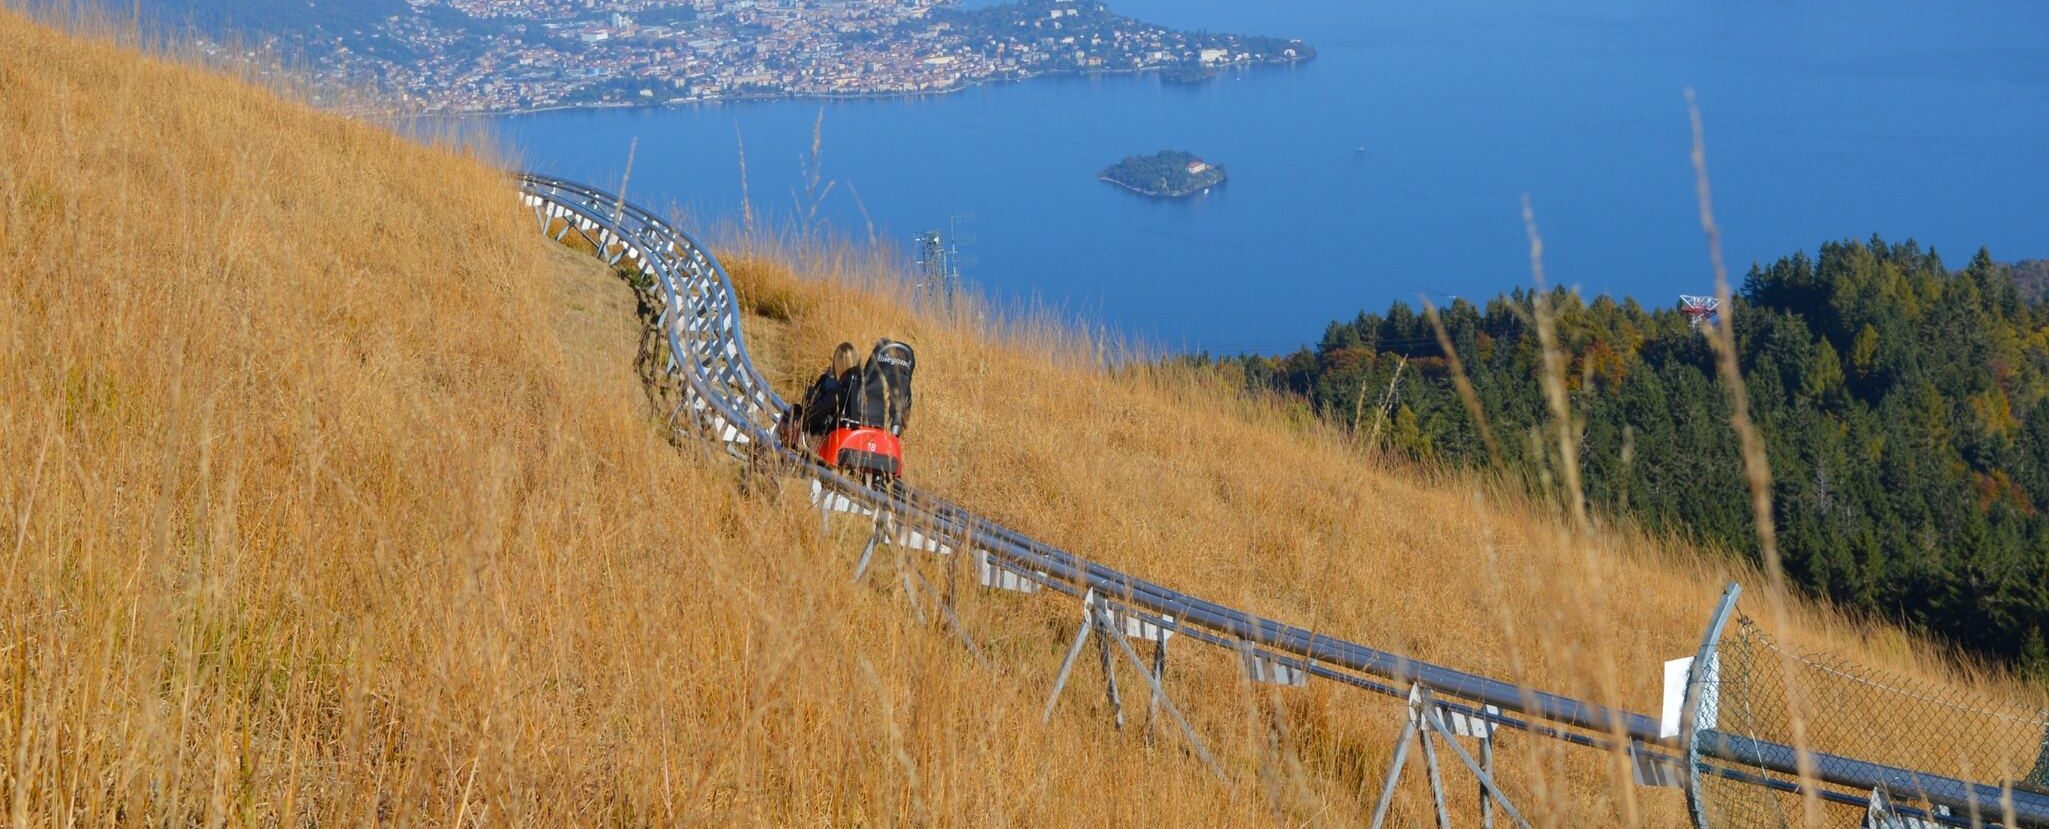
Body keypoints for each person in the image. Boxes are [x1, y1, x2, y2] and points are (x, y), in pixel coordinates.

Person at [782, 342, 860, 452]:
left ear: (837, 364)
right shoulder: (860, 389)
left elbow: (816, 413)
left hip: (823, 440)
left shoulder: (839, 389)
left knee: (793, 411)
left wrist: (823, 379)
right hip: (852, 439)